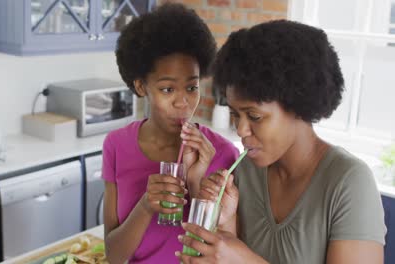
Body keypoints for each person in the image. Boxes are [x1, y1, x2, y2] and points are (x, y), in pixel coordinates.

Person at [177, 20, 387, 264]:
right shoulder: (245, 173)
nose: (242, 130)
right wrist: (225, 229)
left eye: (254, 116)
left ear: (298, 106)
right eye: (235, 114)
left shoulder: (349, 182)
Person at [102, 3, 239, 263]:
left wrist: (196, 182)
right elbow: (113, 256)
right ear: (142, 87)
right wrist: (145, 207)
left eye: (191, 87)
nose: (183, 103)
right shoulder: (117, 145)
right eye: (167, 89)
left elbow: (224, 256)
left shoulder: (224, 155)